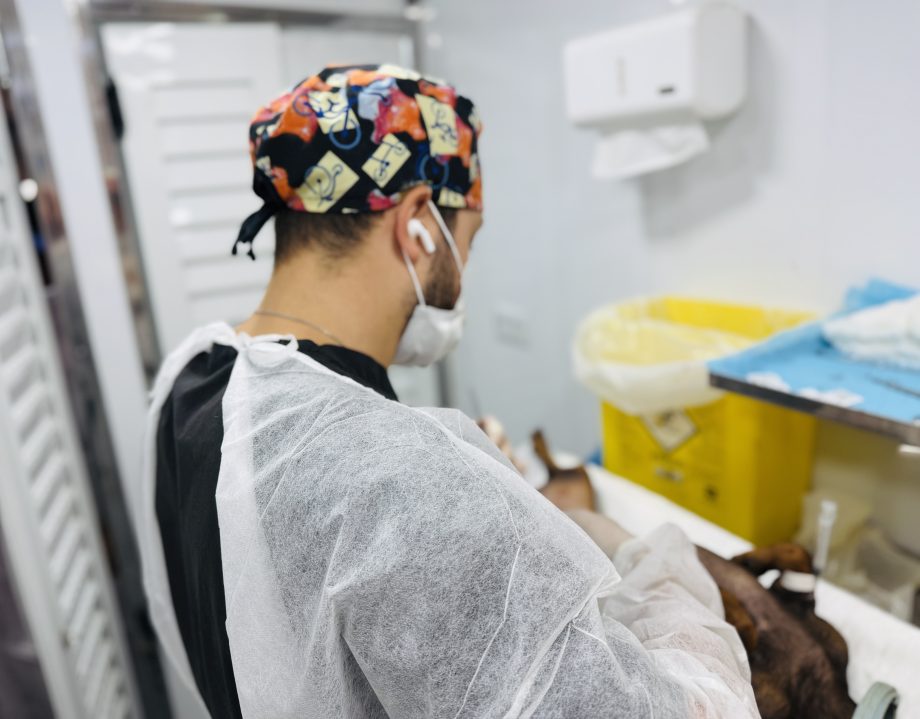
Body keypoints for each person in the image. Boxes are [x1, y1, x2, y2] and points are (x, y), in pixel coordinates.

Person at [138, 64, 759, 718]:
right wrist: (653, 567)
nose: (465, 271)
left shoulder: (193, 377)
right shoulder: (404, 484)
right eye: (469, 239)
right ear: (418, 226)